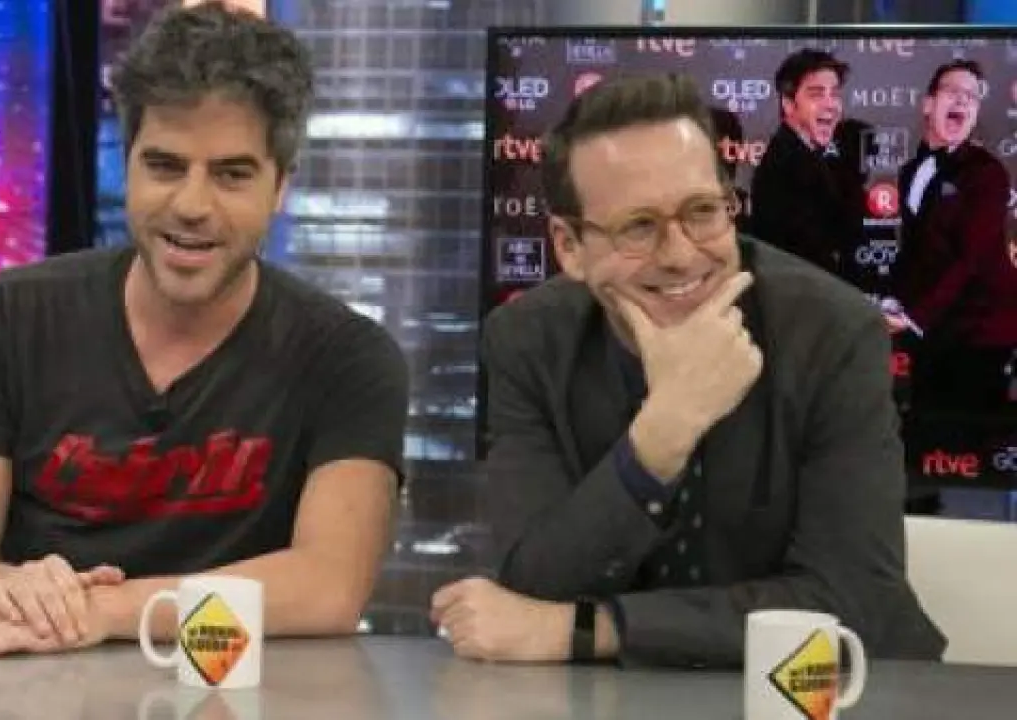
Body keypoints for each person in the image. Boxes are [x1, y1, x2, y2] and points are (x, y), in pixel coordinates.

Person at [0, 2, 409, 660]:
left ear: (281, 187)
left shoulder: (347, 358)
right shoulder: (14, 316)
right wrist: (10, 587)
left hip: (244, 691)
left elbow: (329, 589)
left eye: (232, 174)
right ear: (127, 166)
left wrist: (105, 610)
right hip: (29, 682)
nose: (192, 205)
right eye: (165, 166)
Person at [430, 73, 945, 668]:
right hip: (598, 700)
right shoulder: (526, 341)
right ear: (569, 246)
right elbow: (534, 583)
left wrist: (594, 630)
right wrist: (660, 438)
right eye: (638, 226)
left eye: (702, 212)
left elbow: (852, 603)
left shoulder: (834, 333)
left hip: (821, 691)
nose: (679, 255)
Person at [891, 59, 1017, 420]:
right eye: (952, 92)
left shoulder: (987, 173)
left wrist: (915, 318)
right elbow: (917, 250)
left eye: (972, 97)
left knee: (968, 437)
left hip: (981, 332)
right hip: (935, 332)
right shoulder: (911, 170)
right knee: (927, 429)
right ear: (928, 104)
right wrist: (894, 301)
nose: (962, 100)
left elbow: (970, 261)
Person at [751, 48, 865, 281]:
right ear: (788, 104)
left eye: (834, 94)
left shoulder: (819, 158)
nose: (830, 104)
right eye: (816, 94)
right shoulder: (783, 166)